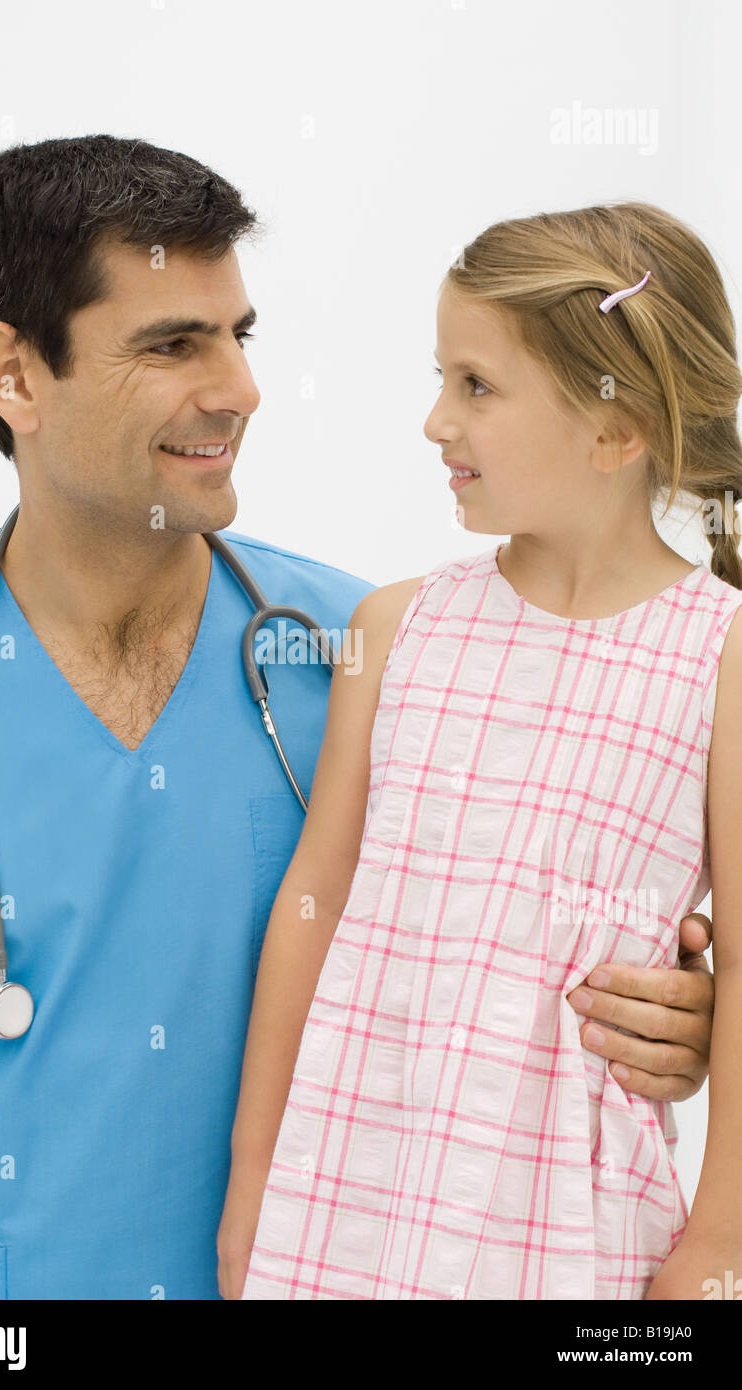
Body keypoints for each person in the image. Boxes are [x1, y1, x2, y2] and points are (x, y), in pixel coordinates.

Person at [0, 140, 716, 1303]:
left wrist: (666, 1012)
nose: (240, 388)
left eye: (241, 335)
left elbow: (542, 906)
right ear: (15, 376)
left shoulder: (376, 658)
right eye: (174, 344)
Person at [221, 201, 742, 1301]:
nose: (434, 421)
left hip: (571, 1233)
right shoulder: (394, 628)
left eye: (476, 386)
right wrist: (255, 1173)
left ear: (614, 429)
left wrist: (718, 1243)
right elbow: (315, 903)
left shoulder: (721, 657)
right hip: (345, 1201)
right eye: (441, 378)